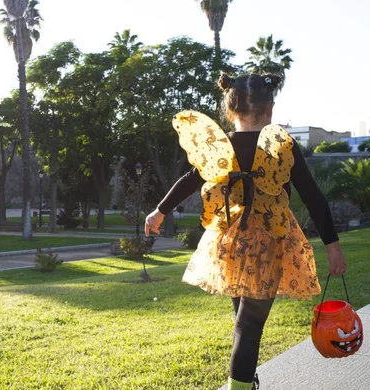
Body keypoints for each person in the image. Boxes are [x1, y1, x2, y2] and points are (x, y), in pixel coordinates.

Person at [144, 73, 347, 390]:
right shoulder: (282, 146)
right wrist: (332, 245)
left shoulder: (220, 146)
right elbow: (313, 196)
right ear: (271, 109)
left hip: (230, 243)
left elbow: (190, 179)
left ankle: (246, 379)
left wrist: (160, 211)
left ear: (230, 110)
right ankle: (241, 384)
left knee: (243, 321)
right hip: (267, 245)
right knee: (249, 326)